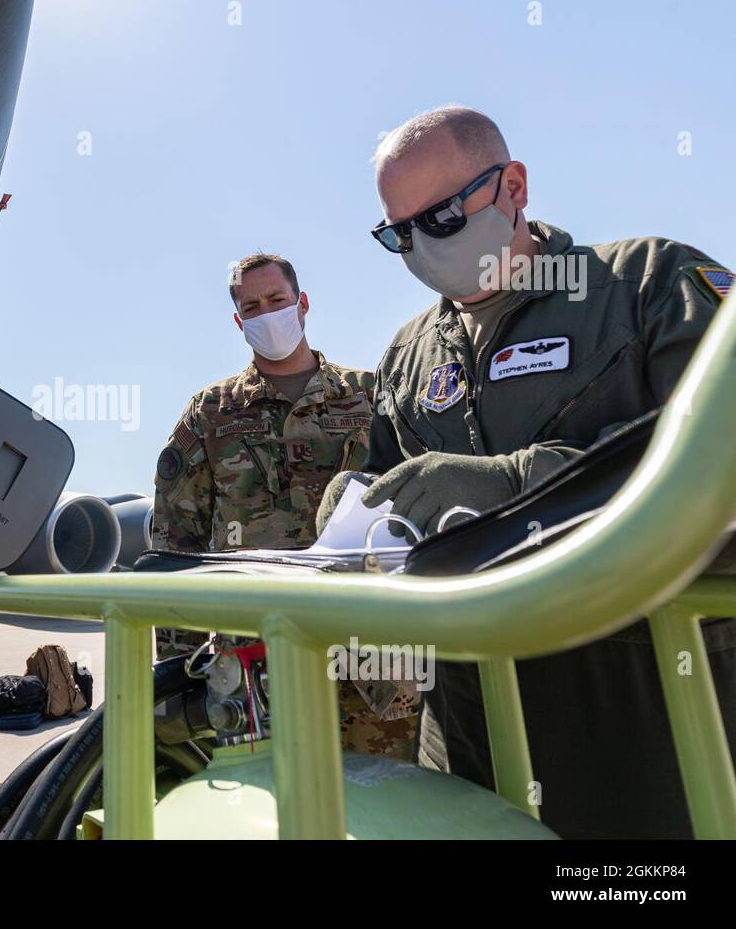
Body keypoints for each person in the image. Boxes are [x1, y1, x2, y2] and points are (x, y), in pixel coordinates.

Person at [320, 104, 733, 837]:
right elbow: (385, 482)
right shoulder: (408, 355)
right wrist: (351, 512)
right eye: (400, 233)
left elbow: (719, 472)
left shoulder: (647, 286)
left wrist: (523, 487)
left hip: (653, 727)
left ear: (513, 186)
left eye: (443, 217)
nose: (422, 247)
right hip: (468, 736)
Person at [152, 253, 420, 760]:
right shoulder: (212, 413)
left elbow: (413, 513)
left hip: (370, 654)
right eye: (252, 306)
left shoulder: (369, 397)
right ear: (239, 322)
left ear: (302, 303)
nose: (266, 313)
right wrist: (176, 669)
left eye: (276, 300)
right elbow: (175, 540)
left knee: (385, 803)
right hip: (256, 659)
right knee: (267, 808)